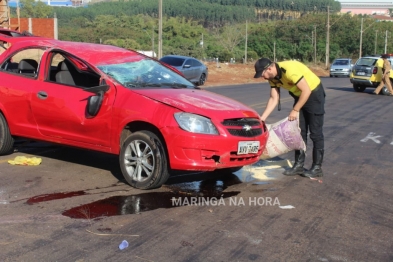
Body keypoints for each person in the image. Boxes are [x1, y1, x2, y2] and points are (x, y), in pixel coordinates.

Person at [254, 58, 325, 178]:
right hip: (300, 95)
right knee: (298, 132)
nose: (263, 77)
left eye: (263, 74)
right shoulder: (272, 77)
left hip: (314, 94)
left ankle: (317, 168)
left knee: (315, 133)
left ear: (269, 69)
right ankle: (299, 165)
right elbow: (273, 99)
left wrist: (295, 110)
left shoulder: (289, 70)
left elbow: (306, 91)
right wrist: (262, 119)